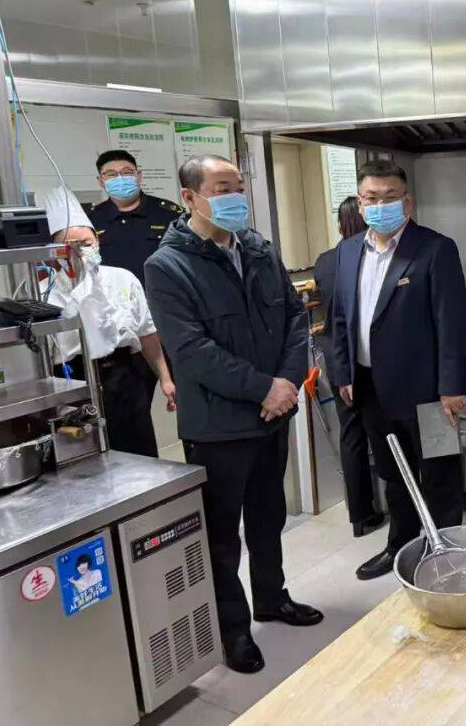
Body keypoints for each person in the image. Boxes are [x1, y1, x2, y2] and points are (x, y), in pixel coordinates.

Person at [144, 154, 322, 674]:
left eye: (238, 186)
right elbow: (192, 350)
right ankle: (233, 630)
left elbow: (295, 318)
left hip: (272, 416)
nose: (235, 197)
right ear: (190, 198)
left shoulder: (258, 249)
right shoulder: (168, 266)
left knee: (269, 517)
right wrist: (264, 388)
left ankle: (272, 597)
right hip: (219, 426)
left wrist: (287, 383)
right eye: (222, 188)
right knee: (223, 535)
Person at [331, 160, 466, 581]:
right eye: (372, 198)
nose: (381, 205)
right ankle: (401, 545)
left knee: (440, 473)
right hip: (371, 386)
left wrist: (452, 386)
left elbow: (452, 322)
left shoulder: (435, 248)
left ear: (407, 202)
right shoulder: (348, 251)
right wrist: (344, 374)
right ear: (360, 203)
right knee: (394, 473)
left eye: (390, 197)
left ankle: (445, 553)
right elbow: (342, 318)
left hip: (429, 391)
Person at [44, 215, 175, 458]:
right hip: (73, 378)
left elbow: (147, 334)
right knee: (88, 454)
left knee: (140, 449)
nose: (80, 251)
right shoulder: (46, 293)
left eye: (86, 243)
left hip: (125, 372)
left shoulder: (122, 278)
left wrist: (165, 379)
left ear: (97, 241)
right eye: (70, 246)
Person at [313, 196, 384, 537]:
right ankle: (403, 506)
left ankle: (360, 514)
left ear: (340, 224)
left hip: (337, 356)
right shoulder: (366, 256)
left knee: (351, 434)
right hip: (366, 356)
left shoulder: (326, 260)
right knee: (384, 432)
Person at [89, 150, 184, 286]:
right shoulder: (91, 219)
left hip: (161, 294)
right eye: (111, 174)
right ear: (101, 181)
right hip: (112, 296)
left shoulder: (169, 214)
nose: (120, 178)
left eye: (127, 172)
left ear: (139, 176)